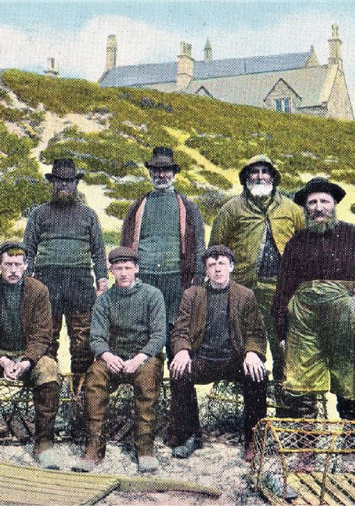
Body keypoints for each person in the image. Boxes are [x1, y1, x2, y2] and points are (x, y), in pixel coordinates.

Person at [272, 177, 355, 423]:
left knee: (350, 381)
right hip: (304, 325)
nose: (318, 207)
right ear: (305, 208)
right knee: (302, 385)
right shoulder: (296, 243)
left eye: (325, 201)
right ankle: (306, 451)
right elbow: (283, 291)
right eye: (312, 202)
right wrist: (281, 332)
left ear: (334, 205)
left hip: (345, 321)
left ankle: (351, 448)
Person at [0, 241, 60, 468]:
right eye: (8, 264)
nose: (13, 270)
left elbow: (43, 335)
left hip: (28, 355)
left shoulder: (39, 291)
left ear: (26, 266)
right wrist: (3, 360)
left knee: (48, 370)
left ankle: (43, 443)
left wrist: (26, 361)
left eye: (18, 264)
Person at [209, 154, 304, 386]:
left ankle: (285, 401)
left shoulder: (291, 210)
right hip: (244, 290)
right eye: (255, 171)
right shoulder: (231, 209)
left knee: (285, 346)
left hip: (281, 290)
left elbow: (306, 246)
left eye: (265, 171)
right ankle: (246, 401)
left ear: (273, 177)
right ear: (246, 177)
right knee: (244, 347)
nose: (260, 176)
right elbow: (216, 249)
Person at [168, 245, 268, 462]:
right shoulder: (193, 295)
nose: (217, 269)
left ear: (231, 266)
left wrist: (252, 352)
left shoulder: (245, 295)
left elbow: (256, 332)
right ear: (206, 270)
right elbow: (180, 330)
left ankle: (252, 439)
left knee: (259, 375)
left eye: (222, 263)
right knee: (179, 372)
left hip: (235, 360)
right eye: (211, 265)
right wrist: (183, 350)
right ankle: (191, 435)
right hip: (204, 359)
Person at [72, 247, 166, 474]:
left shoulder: (152, 295)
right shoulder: (104, 300)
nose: (123, 273)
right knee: (95, 377)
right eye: (118, 268)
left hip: (143, 358)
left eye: (128, 268)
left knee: (147, 382)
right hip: (113, 357)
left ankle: (144, 448)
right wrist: (107, 355)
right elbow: (96, 337)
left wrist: (139, 358)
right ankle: (94, 447)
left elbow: (159, 335)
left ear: (136, 269)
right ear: (112, 270)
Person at [23, 158, 108, 392]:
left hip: (80, 285)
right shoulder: (39, 214)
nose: (63, 186)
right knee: (46, 342)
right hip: (46, 284)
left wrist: (102, 283)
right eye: (59, 181)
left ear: (75, 184)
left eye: (68, 182)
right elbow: (28, 251)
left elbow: (99, 252)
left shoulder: (88, 215)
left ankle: (79, 398)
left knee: (82, 345)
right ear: (52, 183)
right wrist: (27, 283)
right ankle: (47, 395)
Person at [121, 146, 205, 350]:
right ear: (150, 172)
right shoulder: (138, 206)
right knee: (143, 331)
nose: (161, 175)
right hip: (145, 278)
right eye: (156, 170)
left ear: (174, 173)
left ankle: (177, 379)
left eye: (166, 170)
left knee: (176, 331)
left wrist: (198, 278)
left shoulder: (188, 206)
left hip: (176, 278)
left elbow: (200, 246)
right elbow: (125, 243)